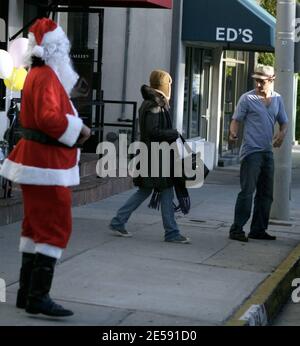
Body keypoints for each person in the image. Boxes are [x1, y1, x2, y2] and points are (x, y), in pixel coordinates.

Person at [0, 18, 91, 316]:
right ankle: (38, 296)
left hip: (35, 161)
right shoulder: (48, 78)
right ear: (56, 50)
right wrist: (79, 129)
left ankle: (27, 293)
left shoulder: (36, 75)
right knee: (54, 225)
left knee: (34, 226)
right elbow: (50, 119)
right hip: (47, 164)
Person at [110, 70, 190, 244]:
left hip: (153, 155)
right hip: (156, 156)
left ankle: (118, 221)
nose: (170, 86)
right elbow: (152, 132)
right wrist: (173, 133)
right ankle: (171, 232)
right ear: (164, 85)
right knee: (166, 191)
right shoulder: (155, 104)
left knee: (145, 190)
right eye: (169, 83)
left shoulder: (152, 102)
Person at [229, 64, 288, 242]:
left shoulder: (277, 99)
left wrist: (281, 134)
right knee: (247, 191)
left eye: (262, 81)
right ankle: (236, 229)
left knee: (266, 194)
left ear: (272, 80)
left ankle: (258, 229)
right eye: (256, 81)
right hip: (251, 152)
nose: (258, 84)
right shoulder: (247, 98)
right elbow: (235, 120)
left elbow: (284, 122)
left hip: (267, 152)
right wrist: (232, 132)